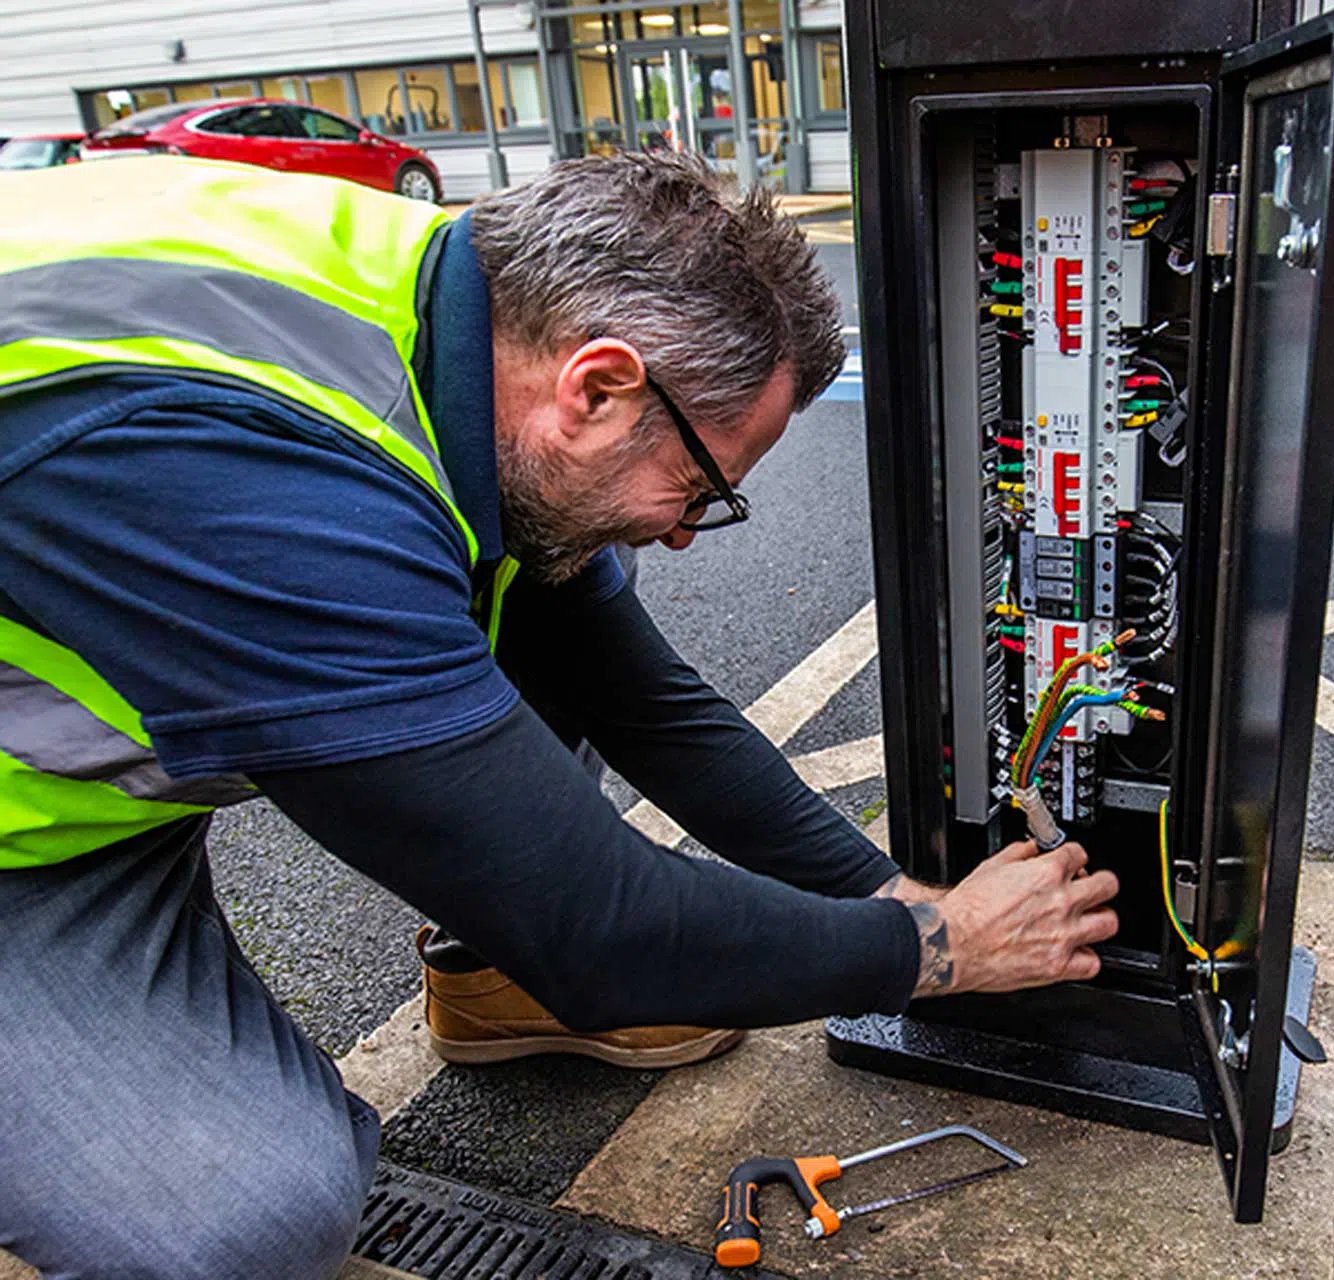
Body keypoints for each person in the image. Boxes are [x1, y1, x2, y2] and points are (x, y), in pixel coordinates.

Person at [0, 152, 1119, 1280]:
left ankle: (487, 973)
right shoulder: (243, 486)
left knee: (537, 577)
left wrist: (882, 890)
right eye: (699, 491)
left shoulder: (450, 321)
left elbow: (637, 695)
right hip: (24, 852)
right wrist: (939, 948)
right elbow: (601, 931)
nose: (684, 532)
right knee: (246, 1221)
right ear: (598, 386)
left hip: (92, 782)